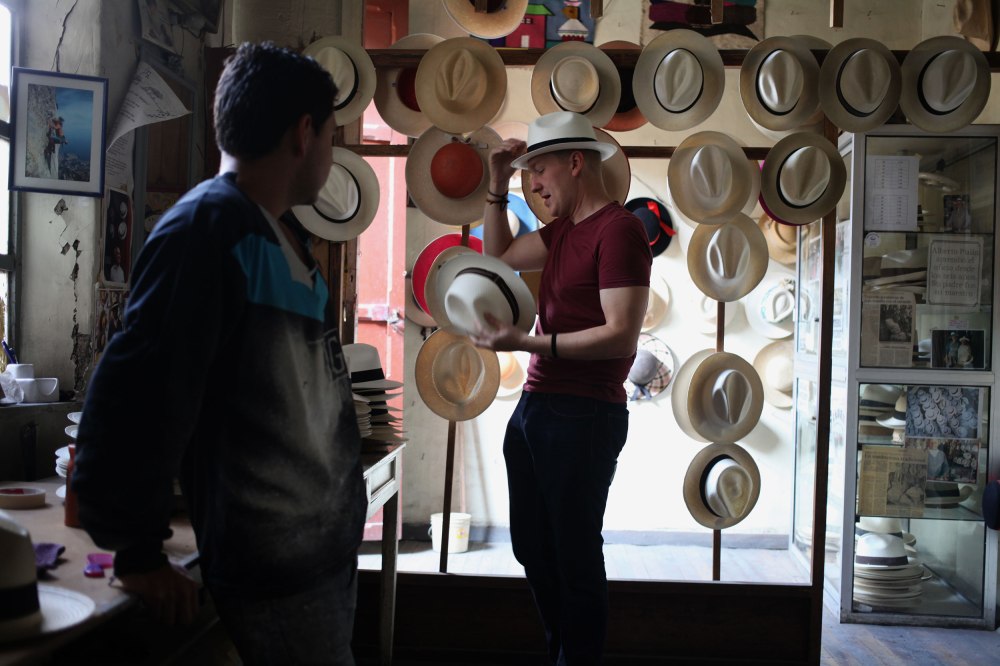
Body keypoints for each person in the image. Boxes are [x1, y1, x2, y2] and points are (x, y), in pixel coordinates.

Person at [72, 42, 367, 665]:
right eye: (331, 137)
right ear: (304, 132)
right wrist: (138, 552)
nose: (330, 153)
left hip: (313, 564)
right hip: (273, 574)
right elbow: (136, 396)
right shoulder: (207, 230)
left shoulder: (274, 235)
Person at [470, 111, 651, 665]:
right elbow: (497, 257)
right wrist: (497, 186)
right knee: (531, 547)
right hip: (536, 409)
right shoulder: (565, 231)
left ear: (576, 163)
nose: (536, 186)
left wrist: (527, 344)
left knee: (573, 555)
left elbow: (620, 337)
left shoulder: (618, 230)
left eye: (540, 172)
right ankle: (563, 654)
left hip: (584, 414)